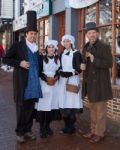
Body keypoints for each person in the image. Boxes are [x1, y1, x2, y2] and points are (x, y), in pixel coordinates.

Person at [3, 11, 42, 144]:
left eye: (35, 34)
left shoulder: (37, 49)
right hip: (22, 84)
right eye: (31, 33)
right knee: (21, 109)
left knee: (31, 109)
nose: (33, 36)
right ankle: (20, 132)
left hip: (34, 84)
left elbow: (39, 66)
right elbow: (6, 59)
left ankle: (28, 130)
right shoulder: (17, 46)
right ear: (26, 34)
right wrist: (19, 63)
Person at [81, 22, 113, 143]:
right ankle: (93, 130)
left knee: (100, 112)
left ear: (97, 34)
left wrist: (95, 60)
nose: (92, 35)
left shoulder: (104, 47)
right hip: (90, 84)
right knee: (93, 110)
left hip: (101, 84)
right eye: (89, 33)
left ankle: (100, 133)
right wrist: (82, 66)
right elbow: (85, 63)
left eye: (94, 32)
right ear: (87, 35)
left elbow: (109, 63)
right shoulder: (85, 47)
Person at [35, 40, 60, 138]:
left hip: (54, 85)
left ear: (55, 49)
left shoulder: (57, 59)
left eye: (53, 47)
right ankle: (42, 128)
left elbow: (59, 70)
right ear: (46, 49)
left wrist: (56, 77)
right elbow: (39, 71)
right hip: (44, 84)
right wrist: (46, 79)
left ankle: (48, 126)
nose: (51, 49)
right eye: (49, 47)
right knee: (43, 106)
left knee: (51, 106)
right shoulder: (42, 58)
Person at [58, 34, 83, 134]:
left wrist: (71, 73)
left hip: (72, 80)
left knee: (72, 103)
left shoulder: (76, 53)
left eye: (68, 41)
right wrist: (61, 71)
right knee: (64, 102)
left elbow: (79, 68)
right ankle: (66, 125)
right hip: (63, 81)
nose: (66, 43)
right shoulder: (61, 53)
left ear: (71, 42)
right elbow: (59, 65)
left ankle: (71, 126)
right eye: (64, 41)